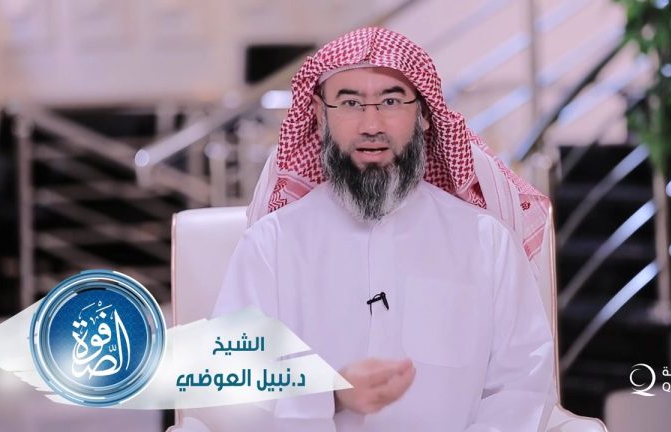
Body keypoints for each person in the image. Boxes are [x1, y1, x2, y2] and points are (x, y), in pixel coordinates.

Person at [213, 27, 556, 432]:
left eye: (391, 101)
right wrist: (330, 396)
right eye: (350, 103)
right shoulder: (272, 244)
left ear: (423, 114)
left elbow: (520, 385)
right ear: (320, 116)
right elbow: (232, 384)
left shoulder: (485, 242)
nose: (371, 124)